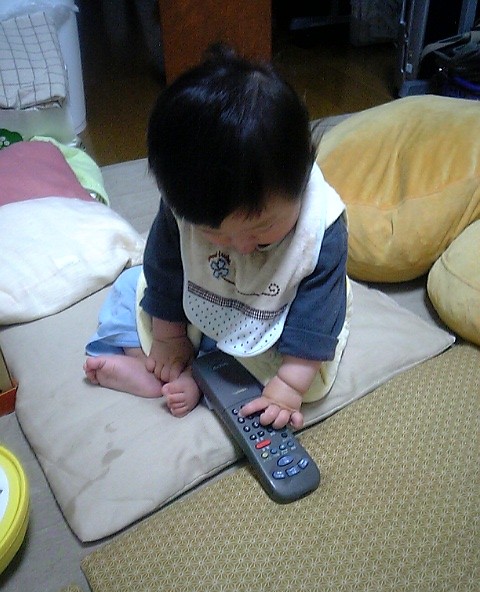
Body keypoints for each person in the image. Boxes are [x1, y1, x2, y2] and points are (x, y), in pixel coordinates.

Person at [84, 44, 352, 429]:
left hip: (278, 321)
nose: (241, 246)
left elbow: (316, 318)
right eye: (213, 233)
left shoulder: (320, 229)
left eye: (261, 230)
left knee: (274, 369)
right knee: (131, 287)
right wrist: (169, 338)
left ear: (303, 172)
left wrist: (289, 386)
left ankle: (195, 379)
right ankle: (163, 366)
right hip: (206, 304)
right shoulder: (184, 209)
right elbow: (165, 268)